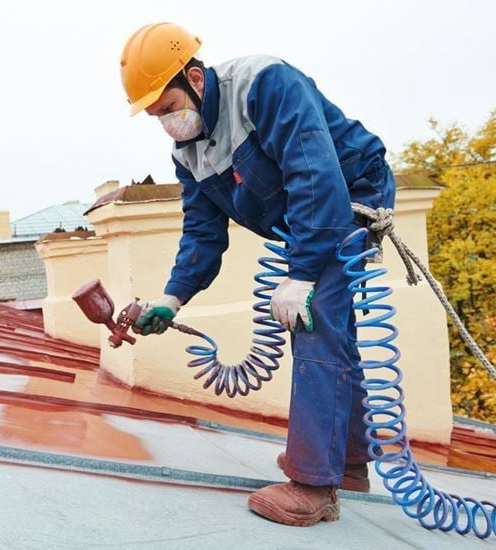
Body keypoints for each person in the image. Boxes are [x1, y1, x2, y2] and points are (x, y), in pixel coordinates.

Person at [119, 22, 396, 527]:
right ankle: (349, 463)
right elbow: (202, 235)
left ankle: (314, 486)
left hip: (349, 193)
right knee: (328, 321)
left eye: (168, 108)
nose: (166, 123)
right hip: (306, 211)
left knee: (313, 319)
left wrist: (303, 274)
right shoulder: (189, 152)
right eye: (156, 116)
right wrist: (172, 299)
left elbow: (315, 174)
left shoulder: (265, 84)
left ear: (197, 80)